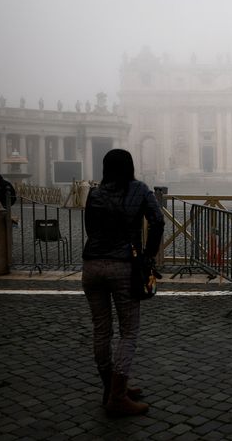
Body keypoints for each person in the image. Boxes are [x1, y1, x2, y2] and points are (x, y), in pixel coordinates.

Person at [81, 149, 164, 417]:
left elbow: (90, 228)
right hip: (123, 267)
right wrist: (149, 256)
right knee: (128, 332)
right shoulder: (139, 189)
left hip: (92, 266)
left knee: (101, 330)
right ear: (130, 166)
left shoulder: (95, 192)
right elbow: (158, 221)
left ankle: (112, 388)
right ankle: (117, 396)